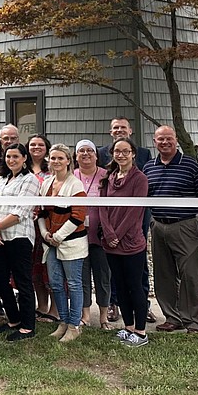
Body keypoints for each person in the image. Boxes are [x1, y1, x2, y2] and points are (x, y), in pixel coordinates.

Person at [143, 125, 198, 334]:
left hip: (185, 224)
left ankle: (194, 322)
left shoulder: (192, 166)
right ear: (154, 142)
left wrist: (191, 219)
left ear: (176, 140)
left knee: (190, 274)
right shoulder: (149, 167)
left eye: (169, 138)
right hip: (159, 225)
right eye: (160, 139)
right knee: (164, 274)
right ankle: (172, 317)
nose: (165, 142)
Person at [92, 137, 150, 347]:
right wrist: (109, 233)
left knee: (135, 287)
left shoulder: (140, 179)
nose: (121, 155)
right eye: (117, 151)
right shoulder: (108, 177)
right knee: (121, 287)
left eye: (126, 151)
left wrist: (118, 234)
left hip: (131, 242)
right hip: (110, 243)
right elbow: (103, 208)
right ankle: (129, 327)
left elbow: (135, 211)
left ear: (133, 154)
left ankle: (141, 332)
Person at [0, 143, 40, 341]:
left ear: (24, 158)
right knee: (0, 280)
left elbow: (20, 212)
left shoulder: (30, 180)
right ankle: (14, 319)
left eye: (16, 156)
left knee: (23, 281)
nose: (12, 160)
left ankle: (28, 326)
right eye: (9, 156)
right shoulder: (2, 179)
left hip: (19, 238)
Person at [38, 144, 89, 342]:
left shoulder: (75, 185)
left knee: (74, 284)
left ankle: (75, 325)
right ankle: (64, 321)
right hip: (50, 243)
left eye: (61, 158)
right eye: (53, 158)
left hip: (72, 242)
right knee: (56, 284)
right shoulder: (46, 183)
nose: (56, 162)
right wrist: (45, 233)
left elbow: (78, 216)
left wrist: (58, 236)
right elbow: (41, 212)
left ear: (68, 160)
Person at [74, 139, 111, 330]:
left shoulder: (106, 176)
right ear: (76, 155)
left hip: (101, 235)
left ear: (97, 156)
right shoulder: (71, 176)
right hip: (77, 235)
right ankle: (85, 315)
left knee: (103, 276)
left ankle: (104, 316)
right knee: (82, 276)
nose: (86, 154)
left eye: (90, 150)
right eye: (81, 151)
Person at [26, 133, 55, 321]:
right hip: (27, 224)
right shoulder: (23, 167)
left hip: (47, 222)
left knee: (50, 268)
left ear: (46, 148)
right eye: (32, 145)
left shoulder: (52, 169)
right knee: (34, 268)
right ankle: (42, 305)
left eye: (40, 145)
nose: (36, 148)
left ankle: (55, 309)